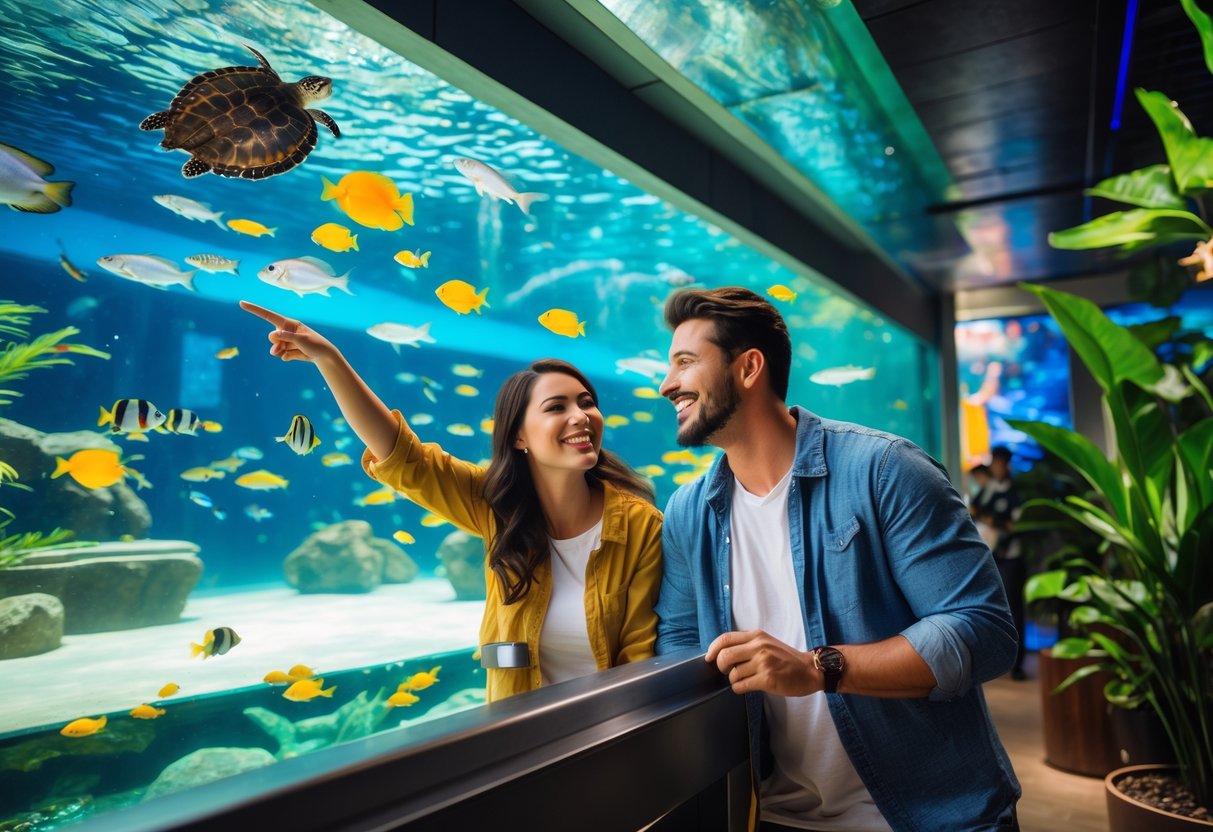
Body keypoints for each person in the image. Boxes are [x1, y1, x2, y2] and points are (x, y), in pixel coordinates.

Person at [653, 288, 1021, 831]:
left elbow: (984, 631)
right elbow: (681, 650)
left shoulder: (886, 470)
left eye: (685, 362)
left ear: (749, 366)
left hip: (935, 815)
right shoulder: (687, 512)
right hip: (778, 816)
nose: (667, 384)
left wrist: (816, 668)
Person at [240, 301, 663, 702]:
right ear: (518, 437)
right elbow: (403, 456)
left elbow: (641, 654)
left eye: (587, 402)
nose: (580, 415)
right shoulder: (495, 503)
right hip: (522, 739)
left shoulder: (642, 525)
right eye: (557, 407)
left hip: (609, 736)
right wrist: (330, 359)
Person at [975, 446, 1026, 681]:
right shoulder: (990, 490)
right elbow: (974, 510)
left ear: (1006, 464)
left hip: (1012, 557)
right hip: (992, 556)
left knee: (1014, 609)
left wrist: (994, 520)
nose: (996, 466)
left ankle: (1017, 664)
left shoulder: (1015, 492)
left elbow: (1014, 526)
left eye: (999, 462)